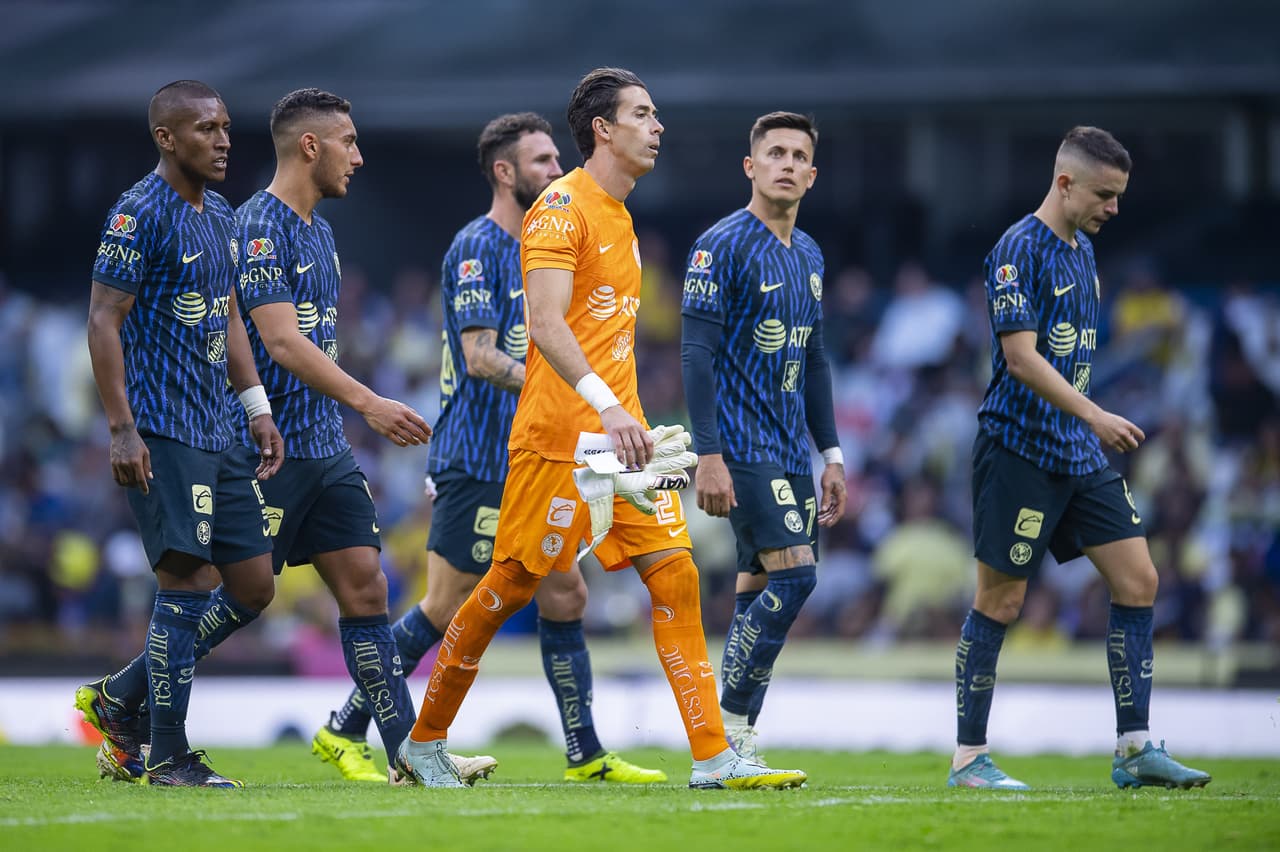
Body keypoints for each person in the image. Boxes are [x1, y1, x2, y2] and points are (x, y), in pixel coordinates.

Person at [395, 67, 806, 790]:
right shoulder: (560, 209)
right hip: (557, 442)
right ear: (603, 130)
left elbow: (605, 338)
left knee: (675, 575)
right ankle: (423, 743)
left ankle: (712, 756)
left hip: (623, 445)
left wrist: (631, 417)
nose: (659, 127)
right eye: (644, 115)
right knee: (508, 586)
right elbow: (546, 323)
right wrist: (607, 406)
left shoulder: (619, 216)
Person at [314, 112, 665, 784]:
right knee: (446, 606)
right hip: (478, 457)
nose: (555, 171)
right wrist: (574, 384)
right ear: (504, 172)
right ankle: (344, 726)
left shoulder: (551, 238)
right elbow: (478, 357)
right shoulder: (477, 245)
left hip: (537, 454)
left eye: (555, 159)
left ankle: (585, 755)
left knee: (566, 596)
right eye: (539, 162)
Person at [230, 87, 497, 784]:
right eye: (348, 141)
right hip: (267, 449)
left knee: (368, 592)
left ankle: (412, 755)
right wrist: (372, 402)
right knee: (236, 597)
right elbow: (282, 344)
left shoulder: (319, 230)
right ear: (309, 146)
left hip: (324, 447)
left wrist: (354, 412)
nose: (360, 155)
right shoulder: (259, 224)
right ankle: (129, 700)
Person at [948, 125, 1211, 790]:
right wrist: (1094, 414)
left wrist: (1088, 424)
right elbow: (1020, 355)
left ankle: (1134, 749)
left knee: (1139, 580)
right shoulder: (1017, 249)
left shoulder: (1084, 250)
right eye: (1105, 193)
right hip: (1018, 451)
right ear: (1064, 183)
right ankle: (968, 759)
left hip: (1075, 453)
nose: (1114, 208)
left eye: (1119, 195)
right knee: (1000, 602)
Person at [78, 80, 283, 788]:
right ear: (167, 137)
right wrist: (121, 429)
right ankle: (167, 754)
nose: (223, 139)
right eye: (205, 128)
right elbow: (104, 318)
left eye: (225, 126)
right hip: (161, 429)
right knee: (188, 580)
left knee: (255, 587)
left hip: (219, 427)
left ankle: (119, 696)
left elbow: (227, 315)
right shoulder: (139, 212)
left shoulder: (222, 211)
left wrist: (255, 405)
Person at [680, 112, 846, 760]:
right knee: (798, 580)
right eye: (773, 152)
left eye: (797, 154)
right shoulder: (718, 245)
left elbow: (816, 359)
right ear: (750, 167)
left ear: (811, 173)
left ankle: (733, 744)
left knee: (756, 593)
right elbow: (695, 354)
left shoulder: (809, 253)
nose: (785, 162)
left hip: (787, 452)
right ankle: (724, 735)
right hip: (740, 447)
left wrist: (830, 454)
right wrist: (709, 455)